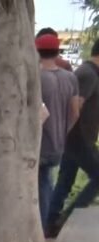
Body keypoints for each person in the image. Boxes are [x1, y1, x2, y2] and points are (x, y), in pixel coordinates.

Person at [47, 38, 99, 236]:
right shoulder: (89, 74)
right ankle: (68, 219)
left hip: (75, 137)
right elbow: (74, 106)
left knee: (66, 179)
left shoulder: (89, 72)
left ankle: (50, 221)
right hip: (79, 137)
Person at [35, 33, 80, 231]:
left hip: (37, 145)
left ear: (36, 51)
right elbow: (75, 113)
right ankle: (46, 224)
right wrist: (62, 132)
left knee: (39, 188)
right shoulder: (70, 77)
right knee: (46, 182)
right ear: (57, 51)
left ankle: (41, 230)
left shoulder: (36, 77)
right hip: (58, 145)